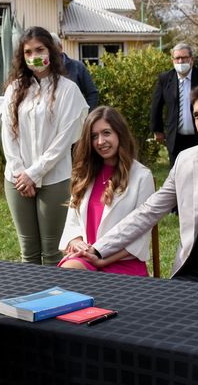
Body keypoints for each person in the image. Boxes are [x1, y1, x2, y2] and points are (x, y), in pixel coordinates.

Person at [82, 83, 198, 285]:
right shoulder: (186, 160)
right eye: (196, 115)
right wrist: (99, 248)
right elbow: (148, 212)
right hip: (191, 273)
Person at [2, 26, 88, 265]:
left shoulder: (68, 90)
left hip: (54, 178)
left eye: (39, 49)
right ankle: (30, 302)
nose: (34, 57)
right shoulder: (14, 89)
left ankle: (53, 302)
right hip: (16, 180)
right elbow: (8, 133)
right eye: (28, 52)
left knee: (52, 252)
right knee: (28, 251)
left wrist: (34, 173)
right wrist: (21, 173)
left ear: (51, 51)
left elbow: (64, 139)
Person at [58, 106, 155, 275]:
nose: (100, 141)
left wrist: (102, 259)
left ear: (120, 133)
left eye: (106, 133)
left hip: (122, 261)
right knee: (68, 273)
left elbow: (140, 236)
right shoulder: (85, 175)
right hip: (86, 259)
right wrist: (76, 242)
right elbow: (72, 223)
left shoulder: (141, 176)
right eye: (94, 136)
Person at [150, 43, 198, 166]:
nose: (181, 61)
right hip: (176, 138)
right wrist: (157, 130)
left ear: (191, 59)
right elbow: (156, 105)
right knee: (177, 175)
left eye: (184, 58)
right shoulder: (165, 78)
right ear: (172, 60)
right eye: (177, 58)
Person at [50, 33, 99, 110]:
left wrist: (86, 117)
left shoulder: (78, 67)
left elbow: (92, 94)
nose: (50, 53)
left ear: (60, 47)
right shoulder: (43, 71)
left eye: (52, 48)